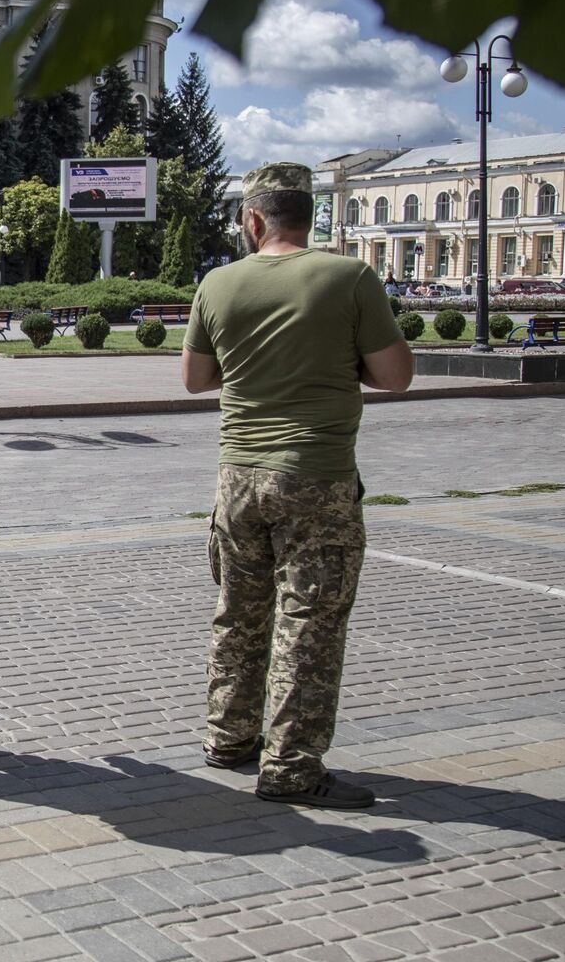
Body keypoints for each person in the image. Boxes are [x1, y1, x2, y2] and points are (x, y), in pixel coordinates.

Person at [180, 162, 415, 810]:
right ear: (307, 217)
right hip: (318, 477)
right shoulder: (349, 278)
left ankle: (228, 738)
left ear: (252, 220)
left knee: (238, 613)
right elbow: (396, 376)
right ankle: (290, 766)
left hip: (238, 480)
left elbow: (196, 379)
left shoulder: (219, 283)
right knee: (309, 620)